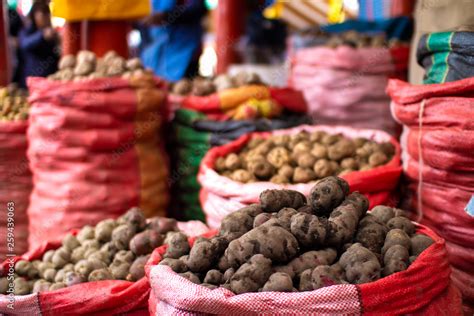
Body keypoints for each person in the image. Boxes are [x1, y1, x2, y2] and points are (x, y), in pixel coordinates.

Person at [140, 0, 207, 81]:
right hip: (156, 51)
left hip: (185, 50)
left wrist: (165, 16)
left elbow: (197, 8)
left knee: (184, 85)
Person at [17, 2, 59, 88]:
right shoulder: (27, 31)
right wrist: (42, 36)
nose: (46, 18)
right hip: (32, 80)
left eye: (47, 15)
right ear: (34, 16)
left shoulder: (52, 32)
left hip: (50, 80)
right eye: (42, 15)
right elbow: (24, 45)